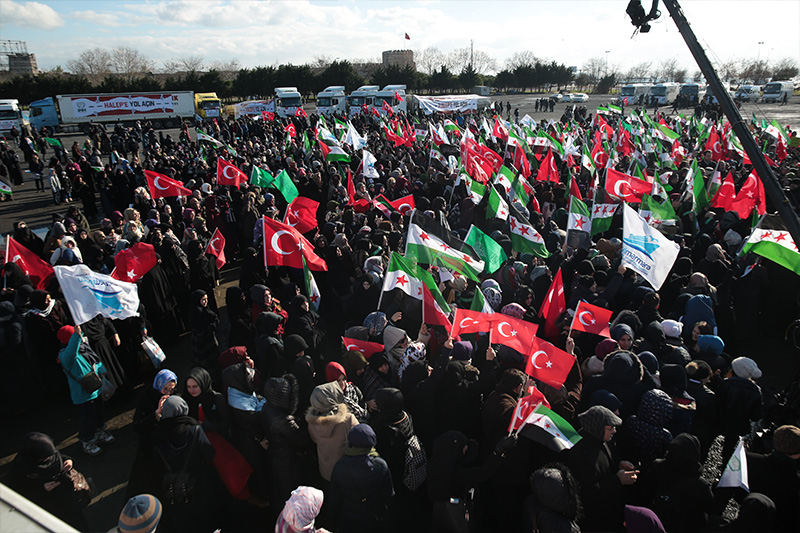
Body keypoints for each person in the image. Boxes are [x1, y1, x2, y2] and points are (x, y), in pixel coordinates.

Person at [8, 432, 92, 530]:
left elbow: (58, 457)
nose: (48, 458)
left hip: (69, 501)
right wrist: (43, 489)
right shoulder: (21, 469)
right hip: (49, 508)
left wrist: (69, 461)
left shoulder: (48, 454)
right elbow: (18, 496)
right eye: (44, 457)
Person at [57, 325, 115, 456]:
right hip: (83, 395)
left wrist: (102, 370)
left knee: (99, 414)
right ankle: (87, 440)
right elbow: (72, 351)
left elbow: (95, 360)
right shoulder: (65, 356)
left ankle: (100, 432)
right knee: (87, 419)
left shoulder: (84, 348)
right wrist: (76, 335)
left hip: (96, 389)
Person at [328, 424, 395, 533]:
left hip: (348, 521)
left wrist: (333, 523)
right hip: (373, 520)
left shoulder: (340, 466)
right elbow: (389, 495)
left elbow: (334, 499)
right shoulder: (380, 465)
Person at [305, 381, 358, 482]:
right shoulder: (347, 419)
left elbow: (314, 440)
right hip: (345, 471)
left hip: (325, 471)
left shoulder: (312, 422)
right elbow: (359, 440)